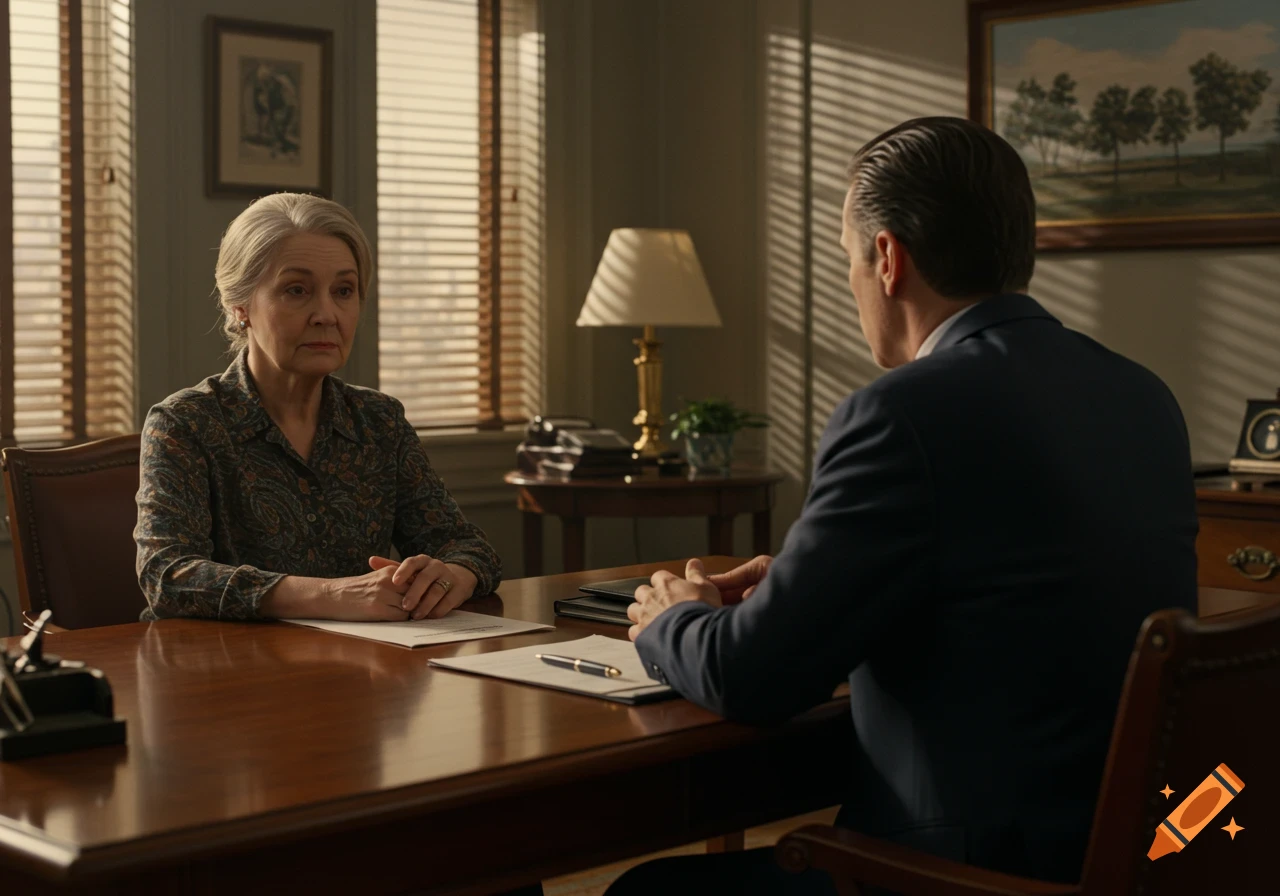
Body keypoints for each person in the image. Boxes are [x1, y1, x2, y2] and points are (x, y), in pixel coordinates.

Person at [609, 117, 1198, 894]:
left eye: (848, 260)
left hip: (960, 873)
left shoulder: (900, 413)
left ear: (886, 258)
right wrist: (811, 578)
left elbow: (755, 679)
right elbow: (1018, 580)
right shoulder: (1141, 396)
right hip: (1136, 855)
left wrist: (672, 616)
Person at [135, 193, 502, 624]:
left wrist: (450, 576)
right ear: (240, 306)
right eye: (297, 291)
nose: (326, 314)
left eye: (343, 291)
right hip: (227, 675)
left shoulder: (379, 421)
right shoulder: (185, 422)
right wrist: (332, 595)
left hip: (364, 672)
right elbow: (167, 575)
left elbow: (466, 546)